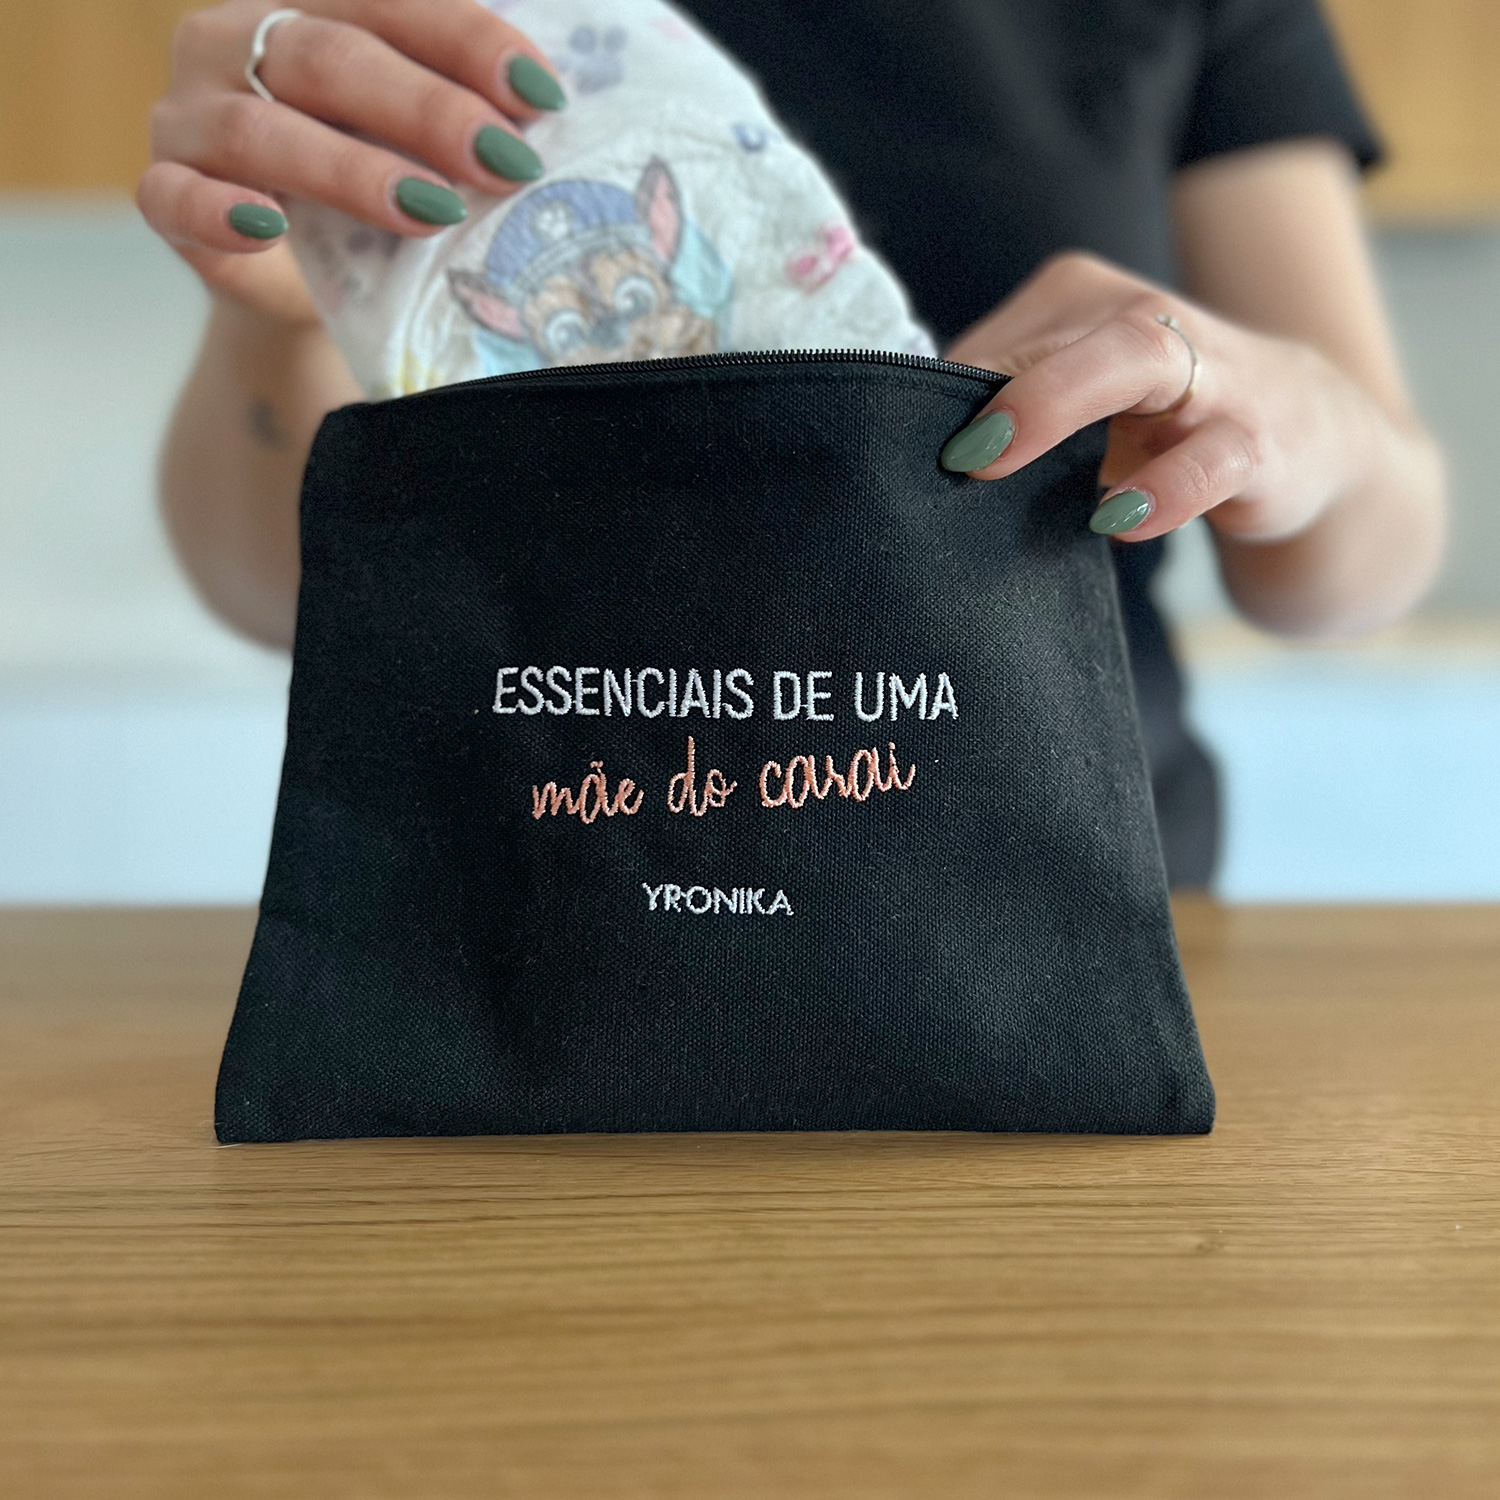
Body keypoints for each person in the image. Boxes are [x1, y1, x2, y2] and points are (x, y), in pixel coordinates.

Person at [138, 0, 1446, 888]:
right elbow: (277, 592)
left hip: (1040, 915)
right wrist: (287, 308)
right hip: (530, 927)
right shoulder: (424, 20)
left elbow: (1357, 569)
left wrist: (1292, 419)